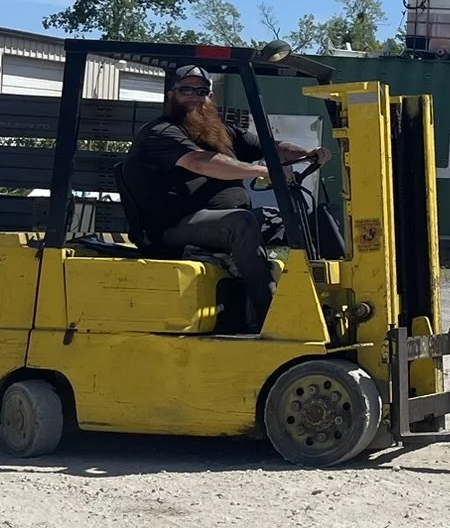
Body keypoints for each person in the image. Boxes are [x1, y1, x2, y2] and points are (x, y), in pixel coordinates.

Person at [119, 64, 325, 332]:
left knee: (302, 220)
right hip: (173, 228)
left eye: (201, 91)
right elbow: (200, 162)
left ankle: (326, 300)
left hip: (214, 222)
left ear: (210, 96)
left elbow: (272, 148)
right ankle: (270, 317)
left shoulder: (219, 132)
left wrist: (307, 153)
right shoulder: (162, 132)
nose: (194, 97)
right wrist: (264, 171)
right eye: (186, 90)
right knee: (241, 223)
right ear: (171, 95)